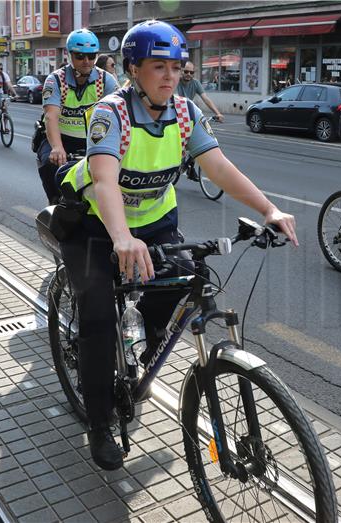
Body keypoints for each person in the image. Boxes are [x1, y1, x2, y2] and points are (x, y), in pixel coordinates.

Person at [56, 20, 298, 472]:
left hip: (154, 219)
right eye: (158, 67)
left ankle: (142, 351)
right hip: (94, 223)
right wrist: (122, 237)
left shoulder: (185, 113)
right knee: (96, 317)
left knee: (186, 278)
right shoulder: (112, 113)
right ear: (133, 70)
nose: (170, 76)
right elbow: (106, 178)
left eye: (176, 67)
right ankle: (101, 420)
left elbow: (219, 168)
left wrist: (269, 210)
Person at [36, 29, 119, 204]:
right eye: (80, 56)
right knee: (48, 163)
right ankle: (54, 201)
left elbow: (119, 115)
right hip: (60, 138)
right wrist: (57, 147)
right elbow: (51, 116)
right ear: (70, 55)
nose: (86, 61)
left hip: (91, 140)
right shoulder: (55, 80)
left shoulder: (106, 80)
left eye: (91, 56)